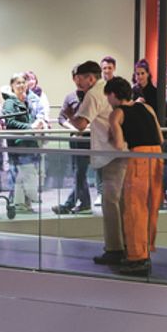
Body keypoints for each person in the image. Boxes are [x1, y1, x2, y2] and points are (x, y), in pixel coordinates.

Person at [105, 76, 164, 276]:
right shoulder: (147, 108)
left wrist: (112, 136)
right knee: (150, 206)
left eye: (108, 97)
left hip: (138, 158)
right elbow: (160, 137)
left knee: (134, 208)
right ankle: (146, 249)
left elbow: (120, 145)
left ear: (113, 95)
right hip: (157, 156)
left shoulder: (117, 114)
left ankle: (137, 257)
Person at [71, 61, 124, 265]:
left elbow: (81, 124)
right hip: (121, 154)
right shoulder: (106, 90)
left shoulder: (93, 94)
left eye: (80, 79)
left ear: (90, 78)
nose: (78, 83)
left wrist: (69, 114)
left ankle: (115, 249)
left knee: (110, 204)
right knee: (120, 203)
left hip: (110, 155)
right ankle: (126, 246)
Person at [2, 73, 47, 214]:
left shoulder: (27, 100)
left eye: (23, 82)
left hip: (29, 142)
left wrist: (37, 124)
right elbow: (9, 122)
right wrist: (30, 127)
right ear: (12, 86)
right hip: (18, 144)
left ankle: (23, 203)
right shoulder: (10, 102)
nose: (21, 85)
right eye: (18, 83)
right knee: (25, 173)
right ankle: (21, 203)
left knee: (24, 174)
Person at [54, 66, 93, 215]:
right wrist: (73, 128)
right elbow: (62, 117)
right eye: (75, 78)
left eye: (80, 78)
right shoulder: (70, 97)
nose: (78, 81)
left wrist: (85, 128)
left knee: (79, 172)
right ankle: (83, 203)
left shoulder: (93, 97)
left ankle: (71, 204)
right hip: (75, 140)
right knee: (78, 172)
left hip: (90, 139)